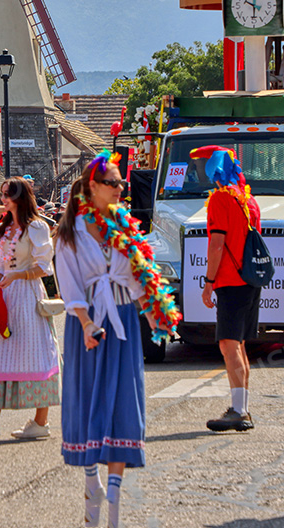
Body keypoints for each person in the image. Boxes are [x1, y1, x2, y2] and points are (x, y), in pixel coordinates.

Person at [55, 153, 176, 528]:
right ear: (92, 186)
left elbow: (140, 277)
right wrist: (87, 323)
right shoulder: (71, 232)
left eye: (122, 183)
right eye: (114, 183)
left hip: (122, 319)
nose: (121, 188)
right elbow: (70, 284)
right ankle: (92, 484)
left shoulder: (125, 229)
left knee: (124, 404)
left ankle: (114, 513)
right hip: (88, 323)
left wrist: (155, 310)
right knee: (88, 400)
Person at [0, 177, 60, 440]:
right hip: (4, 296)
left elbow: (44, 266)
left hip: (27, 296)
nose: (2, 200)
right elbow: (1, 265)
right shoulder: (3, 229)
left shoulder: (37, 227)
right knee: (0, 353)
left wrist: (18, 276)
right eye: (1, 195)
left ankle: (40, 421)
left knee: (35, 352)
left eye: (7, 195)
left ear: (20, 197)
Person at [195, 146, 262, 433]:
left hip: (230, 281)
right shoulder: (248, 199)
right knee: (239, 345)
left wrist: (208, 283)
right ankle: (242, 408)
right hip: (249, 279)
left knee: (228, 345)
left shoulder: (220, 198)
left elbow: (217, 243)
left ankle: (238, 411)